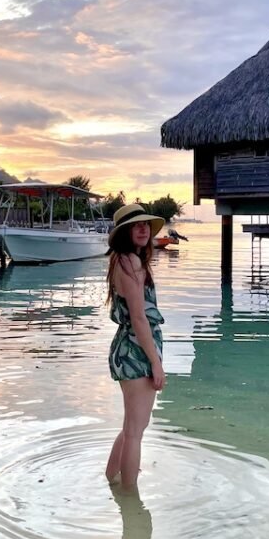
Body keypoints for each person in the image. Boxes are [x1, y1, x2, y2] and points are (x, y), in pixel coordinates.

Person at [105, 203, 165, 491]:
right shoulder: (131, 262)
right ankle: (130, 502)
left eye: (145, 224)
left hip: (127, 346)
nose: (142, 229)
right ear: (124, 232)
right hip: (136, 349)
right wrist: (155, 362)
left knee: (132, 427)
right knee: (135, 432)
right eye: (135, 225)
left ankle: (112, 478)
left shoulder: (121, 260)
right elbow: (140, 318)